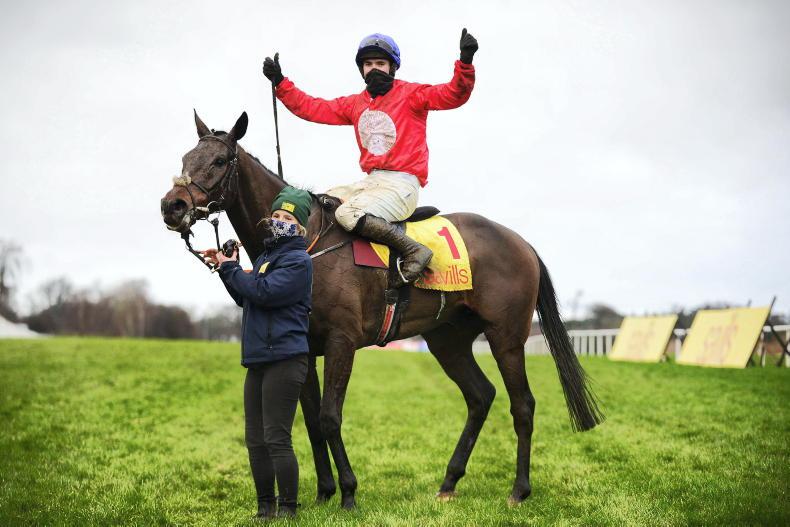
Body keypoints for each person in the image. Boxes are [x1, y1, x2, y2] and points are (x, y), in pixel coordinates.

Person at [262, 29, 478, 286]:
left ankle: (414, 250)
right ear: (362, 69)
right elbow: (312, 108)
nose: (374, 69)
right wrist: (281, 83)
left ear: (392, 67)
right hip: (372, 182)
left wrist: (465, 62)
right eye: (368, 64)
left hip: (403, 185)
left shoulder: (412, 94)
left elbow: (454, 94)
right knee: (321, 203)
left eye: (380, 63)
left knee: (347, 214)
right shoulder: (356, 103)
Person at [201, 186, 313, 519]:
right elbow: (246, 296)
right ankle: (265, 509)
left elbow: (264, 292)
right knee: (255, 440)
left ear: (300, 227)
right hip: (259, 359)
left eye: (288, 218)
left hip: (285, 360)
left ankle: (288, 511)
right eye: (276, 215)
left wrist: (233, 270)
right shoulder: (266, 258)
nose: (279, 221)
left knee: (276, 438)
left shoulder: (299, 261)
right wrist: (226, 267)